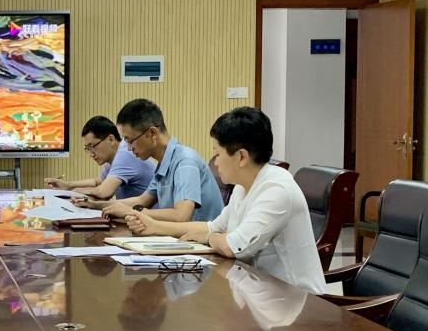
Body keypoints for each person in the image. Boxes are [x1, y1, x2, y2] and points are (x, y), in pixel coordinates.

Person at [124, 107, 327, 294]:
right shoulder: (243, 186)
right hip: (260, 291)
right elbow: (213, 227)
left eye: (218, 154)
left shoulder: (276, 189)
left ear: (241, 157)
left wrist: (212, 237)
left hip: (296, 301)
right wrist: (154, 227)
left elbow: (233, 246)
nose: (215, 162)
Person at [86, 99, 223, 222]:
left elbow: (181, 215)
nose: (129, 148)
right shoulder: (164, 163)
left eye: (130, 140)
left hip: (202, 241)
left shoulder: (185, 161)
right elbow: (142, 200)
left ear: (152, 133)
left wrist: (131, 212)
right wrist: (94, 205)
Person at [45, 115, 154, 199]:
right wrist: (68, 185)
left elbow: (103, 192)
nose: (91, 154)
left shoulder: (126, 154)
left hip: (148, 217)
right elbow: (99, 182)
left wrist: (71, 192)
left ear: (111, 139)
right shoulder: (115, 155)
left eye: (92, 146)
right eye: (88, 148)